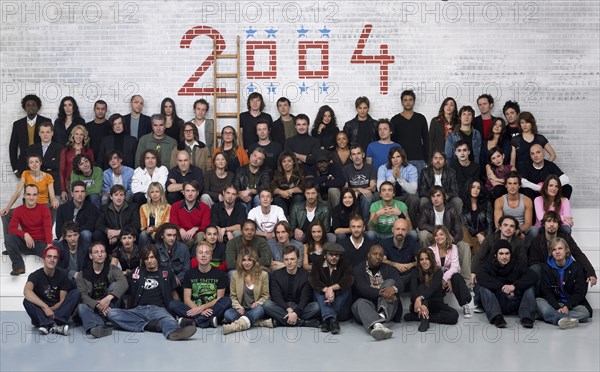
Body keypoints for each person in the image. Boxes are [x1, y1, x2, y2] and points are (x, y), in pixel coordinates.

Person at [106, 245, 197, 340]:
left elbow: (174, 293)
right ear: (143, 260)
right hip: (138, 310)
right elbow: (124, 287)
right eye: (146, 258)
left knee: (168, 319)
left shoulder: (167, 272)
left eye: (152, 257)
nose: (149, 261)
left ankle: (172, 332)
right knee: (112, 313)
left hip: (158, 309)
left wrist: (175, 310)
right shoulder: (136, 272)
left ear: (157, 258)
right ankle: (149, 325)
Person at [476, 240, 538, 329]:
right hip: (498, 301)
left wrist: (514, 286)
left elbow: (533, 275)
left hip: (515, 301)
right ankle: (497, 317)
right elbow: (480, 276)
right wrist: (502, 287)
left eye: (507, 253)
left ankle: (527, 317)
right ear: (495, 255)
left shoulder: (517, 265)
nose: (504, 257)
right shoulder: (489, 265)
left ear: (510, 254)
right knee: (483, 288)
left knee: (530, 287)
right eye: (501, 254)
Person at [168, 242, 231, 328]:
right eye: (200, 253)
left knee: (226, 300)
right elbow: (187, 299)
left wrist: (202, 308)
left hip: (212, 310)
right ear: (196, 256)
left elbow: (219, 299)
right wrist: (199, 311)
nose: (203, 255)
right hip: (194, 308)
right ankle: (206, 320)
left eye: (207, 253)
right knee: (173, 304)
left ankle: (194, 321)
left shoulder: (220, 274)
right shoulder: (189, 274)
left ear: (211, 256)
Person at [536, 237, 593, 329]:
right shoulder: (546, 267)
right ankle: (562, 319)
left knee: (584, 313)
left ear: (566, 250)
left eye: (560, 248)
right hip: (554, 304)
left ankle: (552, 317)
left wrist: (567, 306)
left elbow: (580, 292)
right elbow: (546, 291)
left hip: (572, 305)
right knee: (538, 301)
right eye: (554, 249)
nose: (557, 252)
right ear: (551, 253)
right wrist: (557, 307)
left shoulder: (577, 267)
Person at [23, 246, 80, 336]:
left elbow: (62, 301)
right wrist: (45, 307)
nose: (52, 259)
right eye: (49, 256)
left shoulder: (62, 275)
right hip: (41, 312)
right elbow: (27, 291)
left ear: (57, 260)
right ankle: (54, 326)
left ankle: (48, 325)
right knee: (26, 301)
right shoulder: (35, 275)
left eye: (55, 257)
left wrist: (51, 310)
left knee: (76, 293)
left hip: (57, 312)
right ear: (44, 258)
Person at [529, 211, 596, 287]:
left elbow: (578, 254)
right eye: (548, 221)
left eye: (554, 222)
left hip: (563, 271)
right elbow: (533, 262)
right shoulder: (537, 240)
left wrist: (591, 273)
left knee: (580, 268)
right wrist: (548, 268)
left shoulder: (565, 237)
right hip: (546, 275)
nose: (551, 224)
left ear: (558, 225)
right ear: (544, 224)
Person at [76, 242, 128, 338]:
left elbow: (124, 283)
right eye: (96, 252)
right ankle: (97, 328)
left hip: (111, 306)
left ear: (105, 254)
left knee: (115, 285)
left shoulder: (113, 269)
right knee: (81, 307)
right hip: (94, 308)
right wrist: (98, 305)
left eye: (102, 251)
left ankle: (97, 324)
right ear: (91, 256)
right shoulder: (82, 275)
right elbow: (83, 296)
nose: (100, 254)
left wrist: (107, 299)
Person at [351, 244, 402, 340]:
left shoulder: (388, 268)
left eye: (381, 255)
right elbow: (361, 288)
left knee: (390, 282)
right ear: (368, 254)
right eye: (375, 254)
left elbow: (400, 283)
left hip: (386, 305)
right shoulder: (358, 269)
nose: (378, 257)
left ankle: (380, 318)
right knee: (360, 302)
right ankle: (378, 324)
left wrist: (393, 289)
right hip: (365, 307)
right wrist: (382, 293)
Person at [263, 246, 320, 327]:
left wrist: (296, 312)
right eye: (286, 259)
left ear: (298, 259)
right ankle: (302, 322)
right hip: (283, 306)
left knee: (316, 307)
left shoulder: (306, 275)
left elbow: (305, 298)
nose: (289, 262)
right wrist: (288, 309)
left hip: (299, 306)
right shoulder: (276, 274)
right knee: (267, 305)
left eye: (292, 259)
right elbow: (276, 297)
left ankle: (281, 321)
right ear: (283, 260)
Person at [403, 248, 459, 332]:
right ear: (419, 261)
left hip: (435, 304)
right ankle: (424, 320)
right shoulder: (415, 271)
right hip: (419, 305)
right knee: (422, 287)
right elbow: (413, 289)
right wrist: (419, 300)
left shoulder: (438, 271)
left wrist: (420, 298)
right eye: (421, 259)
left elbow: (432, 288)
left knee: (454, 316)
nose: (424, 262)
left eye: (427, 258)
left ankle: (421, 317)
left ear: (431, 259)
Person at [4, 184, 53, 276]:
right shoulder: (18, 210)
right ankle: (19, 267)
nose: (31, 197)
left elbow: (48, 227)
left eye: (34, 195)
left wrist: (49, 244)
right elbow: (11, 229)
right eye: (28, 194)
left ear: (38, 196)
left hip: (40, 243)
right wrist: (24, 234)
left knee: (54, 257)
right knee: (9, 238)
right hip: (25, 243)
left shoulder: (44, 209)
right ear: (24, 195)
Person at [309, 242, 355, 334]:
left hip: (340, 308)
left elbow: (349, 279)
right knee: (318, 291)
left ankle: (327, 320)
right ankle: (332, 320)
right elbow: (313, 279)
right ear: (325, 255)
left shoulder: (344, 263)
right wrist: (326, 290)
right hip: (323, 302)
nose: (334, 257)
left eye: (337, 255)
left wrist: (331, 289)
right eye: (331, 255)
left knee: (346, 289)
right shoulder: (317, 262)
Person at [223, 249, 271, 334]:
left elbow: (266, 295)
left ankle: (235, 326)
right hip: (241, 310)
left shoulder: (263, 275)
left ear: (254, 261)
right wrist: (238, 307)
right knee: (227, 313)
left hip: (255, 309)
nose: (247, 263)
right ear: (240, 262)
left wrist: (258, 303)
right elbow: (233, 296)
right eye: (244, 260)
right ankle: (257, 323)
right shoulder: (235, 275)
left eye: (250, 260)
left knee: (260, 310)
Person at [428, 226, 473, 318]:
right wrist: (443, 279)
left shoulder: (453, 247)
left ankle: (465, 305)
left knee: (456, 277)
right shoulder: (431, 249)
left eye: (441, 234)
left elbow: (455, 267)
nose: (438, 237)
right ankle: (436, 306)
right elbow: (433, 268)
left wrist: (446, 279)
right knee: (435, 280)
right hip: (437, 278)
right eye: (436, 235)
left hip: (449, 277)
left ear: (446, 235)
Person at [1, 153, 59, 218]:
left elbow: (52, 196)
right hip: (29, 205)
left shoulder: (48, 177)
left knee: (54, 208)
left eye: (36, 162)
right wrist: (7, 208)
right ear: (28, 165)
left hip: (43, 205)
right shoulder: (25, 174)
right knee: (5, 215)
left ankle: (48, 228)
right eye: (31, 162)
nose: (34, 164)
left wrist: (54, 200)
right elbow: (17, 192)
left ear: (40, 163)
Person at [376, 147, 420, 225]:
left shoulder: (411, 168)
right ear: (390, 159)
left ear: (403, 157)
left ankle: (410, 225)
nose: (395, 160)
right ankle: (381, 224)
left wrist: (399, 178)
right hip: (389, 197)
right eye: (393, 157)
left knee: (414, 197)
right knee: (376, 195)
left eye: (398, 157)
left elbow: (413, 190)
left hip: (405, 197)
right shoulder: (383, 168)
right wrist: (393, 178)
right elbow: (380, 188)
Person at [10, 94, 50, 177]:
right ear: (24, 108)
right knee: (28, 189)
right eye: (28, 105)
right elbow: (12, 147)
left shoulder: (46, 121)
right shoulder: (18, 124)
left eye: (33, 105)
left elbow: (51, 143)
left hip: (43, 163)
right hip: (24, 164)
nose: (30, 107)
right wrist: (15, 168)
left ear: (38, 107)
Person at [493, 172, 536, 248]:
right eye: (509, 183)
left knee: (534, 230)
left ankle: (525, 251)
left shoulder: (527, 200)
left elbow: (528, 223)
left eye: (515, 183)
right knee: (497, 232)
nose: (512, 186)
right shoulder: (499, 201)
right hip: (506, 228)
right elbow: (498, 224)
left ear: (519, 185)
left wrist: (518, 231)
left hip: (521, 228)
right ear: (506, 185)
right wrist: (510, 231)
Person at [390, 90, 429, 175]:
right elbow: (392, 142)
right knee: (401, 186)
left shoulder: (421, 118)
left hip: (418, 159)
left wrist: (427, 160)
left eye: (410, 100)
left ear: (414, 101)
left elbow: (426, 140)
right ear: (402, 102)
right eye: (405, 100)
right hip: (401, 159)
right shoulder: (395, 120)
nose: (408, 102)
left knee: (419, 186)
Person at [93, 184, 140, 254]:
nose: (119, 198)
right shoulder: (105, 209)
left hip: (127, 237)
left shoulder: (133, 207)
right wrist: (108, 231)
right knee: (97, 234)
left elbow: (136, 224)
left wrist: (119, 233)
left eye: (121, 195)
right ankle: (103, 257)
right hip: (111, 240)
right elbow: (98, 224)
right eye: (116, 195)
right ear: (111, 197)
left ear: (124, 197)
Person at [55, 181, 98, 247]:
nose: (80, 194)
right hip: (66, 238)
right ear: (72, 194)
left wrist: (73, 233)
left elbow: (90, 226)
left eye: (82, 191)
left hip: (81, 237)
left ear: (85, 193)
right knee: (54, 243)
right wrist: (67, 236)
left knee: (86, 234)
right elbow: (58, 229)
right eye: (77, 191)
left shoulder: (92, 208)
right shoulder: (62, 208)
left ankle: (86, 256)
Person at [169, 181, 210, 249]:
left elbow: (206, 226)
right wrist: (180, 229)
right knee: (173, 233)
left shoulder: (205, 207)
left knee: (201, 235)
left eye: (193, 191)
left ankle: (195, 257)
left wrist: (195, 229)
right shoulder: (175, 206)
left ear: (197, 193)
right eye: (187, 191)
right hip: (180, 235)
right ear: (183, 192)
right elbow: (173, 224)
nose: (190, 194)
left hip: (196, 236)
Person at [381, 218, 419, 291]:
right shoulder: (385, 243)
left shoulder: (413, 243)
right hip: (392, 277)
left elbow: (421, 260)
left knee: (416, 273)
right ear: (393, 230)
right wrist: (395, 264)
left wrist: (410, 264)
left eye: (403, 229)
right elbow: (382, 260)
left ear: (407, 231)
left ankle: (395, 288)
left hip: (408, 278)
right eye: (397, 229)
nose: (400, 232)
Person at [26, 122, 63, 196]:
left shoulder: (59, 148)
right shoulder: (32, 148)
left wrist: (38, 163)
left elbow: (57, 165)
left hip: (54, 184)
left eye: (48, 132)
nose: (45, 135)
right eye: (42, 132)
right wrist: (50, 163)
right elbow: (29, 166)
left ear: (52, 133)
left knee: (55, 207)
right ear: (39, 133)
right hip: (36, 185)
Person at [59, 124, 94, 201]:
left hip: (85, 182)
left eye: (81, 134)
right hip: (70, 183)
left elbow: (92, 170)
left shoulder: (89, 151)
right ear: (73, 135)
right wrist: (63, 189)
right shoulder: (65, 151)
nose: (78, 136)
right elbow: (62, 171)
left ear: (84, 137)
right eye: (76, 134)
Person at [343, 144, 377, 223]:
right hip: (352, 194)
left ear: (363, 155)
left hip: (366, 195)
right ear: (351, 157)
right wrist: (359, 189)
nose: (356, 157)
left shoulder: (371, 168)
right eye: (354, 154)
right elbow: (345, 188)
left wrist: (360, 191)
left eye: (358, 153)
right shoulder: (346, 169)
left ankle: (365, 225)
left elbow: (373, 187)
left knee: (367, 197)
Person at [460, 179, 493, 257]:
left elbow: (490, 224)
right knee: (463, 229)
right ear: (469, 188)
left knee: (477, 256)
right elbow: (464, 223)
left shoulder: (486, 203)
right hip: (468, 235)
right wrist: (477, 234)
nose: (476, 190)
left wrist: (486, 239)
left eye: (478, 188)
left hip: (482, 234)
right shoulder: (463, 204)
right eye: (473, 187)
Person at [233, 147, 271, 213]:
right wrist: (241, 196)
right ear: (250, 156)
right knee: (244, 203)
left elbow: (265, 187)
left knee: (258, 198)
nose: (256, 159)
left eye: (259, 159)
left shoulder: (265, 172)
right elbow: (235, 188)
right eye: (254, 156)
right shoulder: (239, 170)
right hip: (243, 198)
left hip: (257, 197)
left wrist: (250, 191)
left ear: (261, 163)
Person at [271, 152, 305, 216]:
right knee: (277, 199)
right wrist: (281, 192)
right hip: (282, 197)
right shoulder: (277, 173)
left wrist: (290, 191)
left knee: (298, 198)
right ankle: (284, 222)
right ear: (281, 164)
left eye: (289, 161)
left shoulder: (300, 172)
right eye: (284, 161)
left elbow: (303, 186)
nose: (287, 164)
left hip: (295, 196)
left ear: (294, 162)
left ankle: (293, 222)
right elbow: (273, 187)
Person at [139, 182, 171, 248]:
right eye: (152, 192)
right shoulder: (143, 207)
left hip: (160, 234)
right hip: (148, 234)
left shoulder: (168, 207)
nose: (155, 194)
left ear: (161, 193)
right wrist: (147, 230)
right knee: (143, 234)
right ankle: (144, 256)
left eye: (157, 191)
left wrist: (153, 229)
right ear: (149, 194)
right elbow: (143, 226)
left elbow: (165, 225)